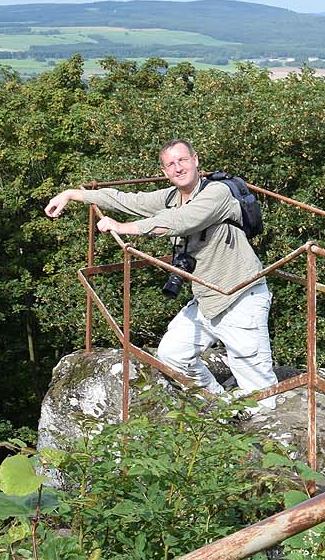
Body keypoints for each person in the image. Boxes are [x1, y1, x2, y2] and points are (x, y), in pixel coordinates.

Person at [44, 140, 279, 398]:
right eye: (171, 164)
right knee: (173, 355)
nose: (178, 168)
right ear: (164, 171)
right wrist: (71, 194)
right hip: (207, 298)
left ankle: (266, 421)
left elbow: (182, 220)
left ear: (195, 160)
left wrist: (124, 227)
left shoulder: (217, 193)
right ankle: (221, 405)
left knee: (257, 384)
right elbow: (127, 200)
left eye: (183, 160)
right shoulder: (171, 197)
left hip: (239, 295)